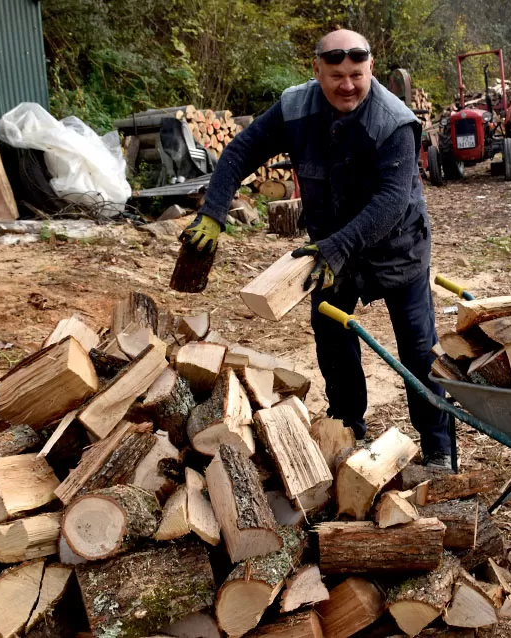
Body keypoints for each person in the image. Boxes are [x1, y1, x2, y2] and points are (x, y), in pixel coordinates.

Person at [180, 29, 452, 467]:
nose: (348, 85)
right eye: (336, 75)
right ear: (317, 70)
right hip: (330, 251)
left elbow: (390, 202)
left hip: (397, 247)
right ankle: (346, 434)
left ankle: (439, 449)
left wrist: (338, 247)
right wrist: (213, 211)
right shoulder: (296, 108)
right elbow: (241, 150)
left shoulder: (394, 121)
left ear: (371, 69)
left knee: (418, 351)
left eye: (357, 75)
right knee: (333, 343)